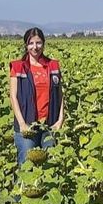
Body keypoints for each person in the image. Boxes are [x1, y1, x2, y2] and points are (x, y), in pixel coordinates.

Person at [9, 27, 64, 165]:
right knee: (26, 164)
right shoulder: (18, 67)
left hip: (49, 125)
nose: (35, 47)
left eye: (38, 43)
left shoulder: (53, 66)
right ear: (26, 45)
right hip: (27, 125)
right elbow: (13, 96)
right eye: (31, 43)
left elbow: (60, 95)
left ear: (43, 44)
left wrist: (60, 120)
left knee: (51, 163)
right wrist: (22, 124)